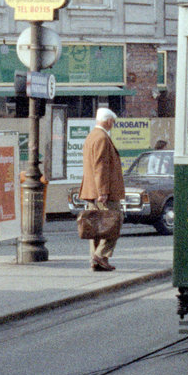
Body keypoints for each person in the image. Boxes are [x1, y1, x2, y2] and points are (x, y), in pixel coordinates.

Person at [79, 108, 124, 271]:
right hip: (103, 192)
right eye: (112, 121)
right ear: (108, 121)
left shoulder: (91, 136)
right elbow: (100, 167)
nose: (113, 124)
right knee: (115, 222)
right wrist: (103, 191)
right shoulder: (102, 138)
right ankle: (100, 255)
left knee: (96, 227)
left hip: (91, 191)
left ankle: (97, 260)